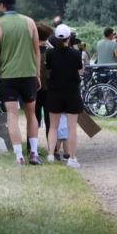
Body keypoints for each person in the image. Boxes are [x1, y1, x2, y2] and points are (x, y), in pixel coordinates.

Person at [0, 0, 43, 165]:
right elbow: (36, 51)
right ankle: (33, 153)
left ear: (2, 5)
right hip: (28, 74)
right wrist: (37, 74)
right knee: (31, 114)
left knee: (12, 115)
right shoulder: (29, 22)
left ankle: (19, 156)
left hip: (8, 76)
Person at [44, 24, 84, 168]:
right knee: (71, 127)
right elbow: (80, 70)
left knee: (53, 126)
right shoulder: (76, 54)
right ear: (69, 38)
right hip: (72, 92)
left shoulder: (50, 54)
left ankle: (50, 154)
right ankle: (72, 158)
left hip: (55, 92)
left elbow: (48, 69)